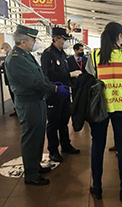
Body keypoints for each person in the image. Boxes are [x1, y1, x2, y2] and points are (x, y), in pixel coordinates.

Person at [4, 25, 70, 185]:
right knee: (31, 138)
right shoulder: (14, 59)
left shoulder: (26, 55)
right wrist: (54, 88)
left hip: (37, 100)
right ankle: (31, 174)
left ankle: (36, 165)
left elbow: (40, 76)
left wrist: (51, 84)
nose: (34, 43)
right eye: (33, 39)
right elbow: (32, 82)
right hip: (28, 103)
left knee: (39, 135)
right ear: (24, 41)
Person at [85, 22, 122, 201]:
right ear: (119, 36)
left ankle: (97, 187)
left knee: (97, 145)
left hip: (100, 107)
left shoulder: (94, 55)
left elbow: (89, 82)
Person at [41, 27, 80, 163]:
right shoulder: (48, 54)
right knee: (53, 123)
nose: (64, 42)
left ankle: (65, 144)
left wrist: (72, 79)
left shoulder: (62, 54)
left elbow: (65, 70)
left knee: (64, 120)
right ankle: (53, 150)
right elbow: (48, 75)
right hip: (53, 93)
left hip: (64, 92)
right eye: (63, 39)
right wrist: (68, 74)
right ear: (56, 38)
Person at [0, 42, 16, 116]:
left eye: (3, 48)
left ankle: (17, 110)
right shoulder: (8, 55)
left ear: (7, 47)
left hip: (12, 80)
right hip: (11, 80)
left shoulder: (11, 55)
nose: (2, 50)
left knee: (14, 96)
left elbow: (9, 66)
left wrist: (3, 64)